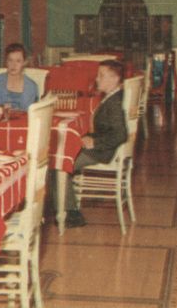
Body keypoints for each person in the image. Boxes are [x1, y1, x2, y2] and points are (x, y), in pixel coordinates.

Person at [62, 60, 129, 228]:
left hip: (103, 152)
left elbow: (121, 134)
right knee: (65, 155)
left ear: (115, 79)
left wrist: (95, 142)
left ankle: (72, 213)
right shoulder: (114, 96)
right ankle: (63, 202)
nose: (97, 79)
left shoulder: (114, 103)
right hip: (102, 147)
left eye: (101, 75)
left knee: (62, 165)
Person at [0, 43, 39, 111]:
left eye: (18, 61)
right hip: (0, 120)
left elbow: (29, 113)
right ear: (6, 62)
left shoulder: (31, 86)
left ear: (24, 63)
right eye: (10, 60)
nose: (13, 65)